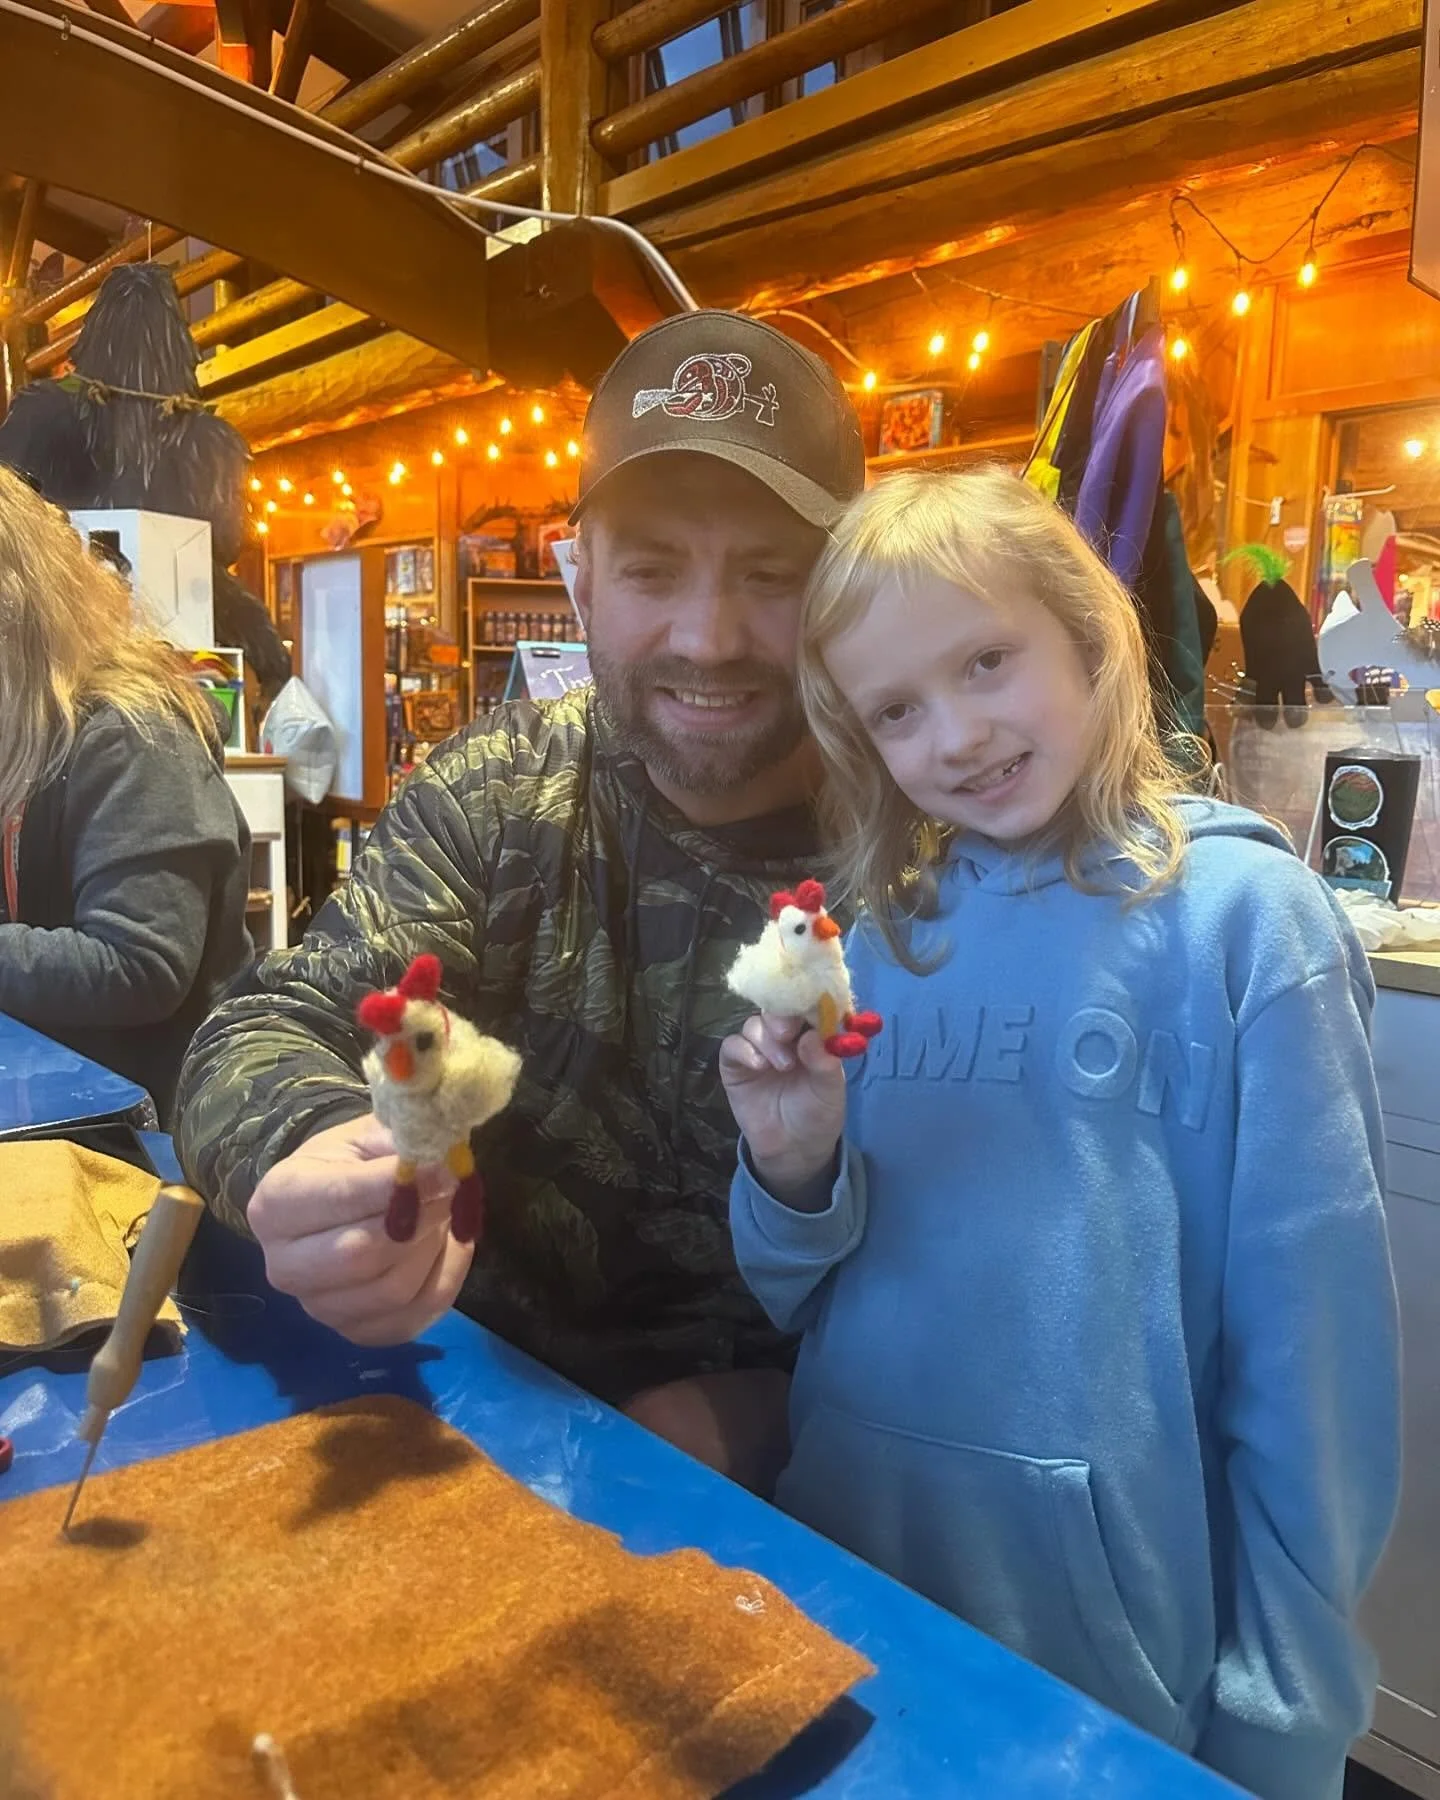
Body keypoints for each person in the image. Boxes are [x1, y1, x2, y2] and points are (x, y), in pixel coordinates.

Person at [719, 468, 1400, 1799]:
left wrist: (1284, 1730)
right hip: (841, 1595)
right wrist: (790, 1164)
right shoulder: (880, 940)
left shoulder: (1249, 929)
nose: (958, 734)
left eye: (986, 661)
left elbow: (1317, 1383)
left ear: (1089, 639)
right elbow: (796, 1293)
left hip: (1111, 1674)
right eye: (900, 710)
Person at [175, 311, 866, 1491]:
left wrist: (807, 1414)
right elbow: (262, 1028)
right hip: (469, 1433)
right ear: (578, 578)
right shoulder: (502, 793)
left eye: (772, 575)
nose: (708, 637)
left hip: (854, 1505)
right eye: (652, 571)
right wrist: (310, 1153)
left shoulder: (933, 842)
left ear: (851, 588)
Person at [0, 465, 253, 1127]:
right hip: (60, 1100)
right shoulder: (27, 729)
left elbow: (139, 966)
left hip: (157, 1138)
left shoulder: (133, 733)